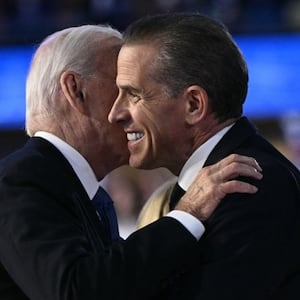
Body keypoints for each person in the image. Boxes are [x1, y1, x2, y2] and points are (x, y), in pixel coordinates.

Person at [0, 24, 262, 300]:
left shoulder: (88, 194)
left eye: (133, 93)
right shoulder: (18, 183)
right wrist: (187, 214)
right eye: (123, 88)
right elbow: (75, 292)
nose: (128, 110)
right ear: (76, 91)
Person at [108, 13, 300, 299]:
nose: (116, 113)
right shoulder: (213, 185)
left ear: (194, 105)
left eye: (133, 94)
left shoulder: (250, 187)